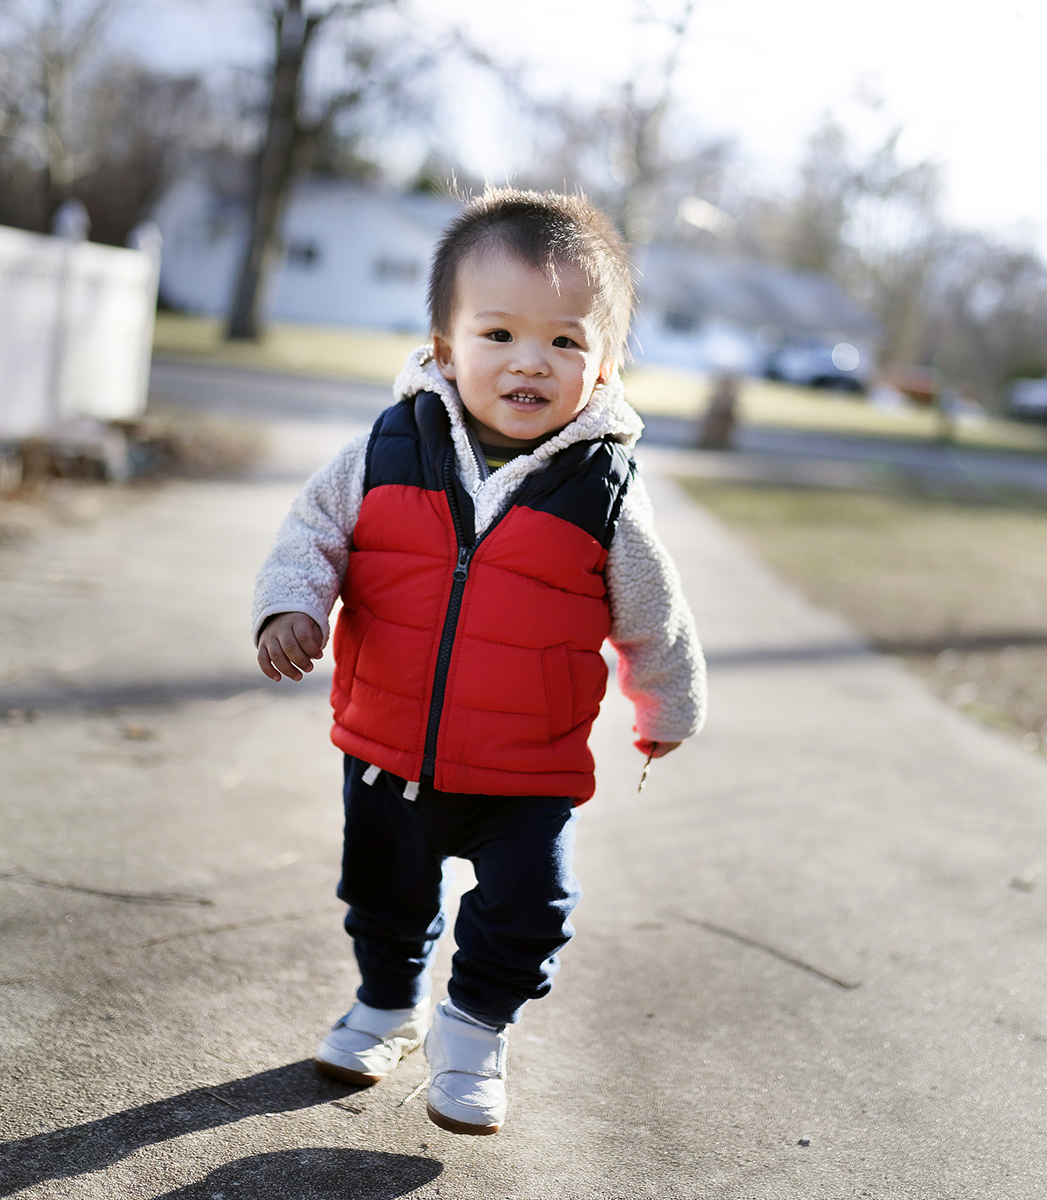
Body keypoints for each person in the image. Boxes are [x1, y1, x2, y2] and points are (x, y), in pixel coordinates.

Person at [252, 187, 706, 1136]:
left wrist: (668, 704)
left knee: (532, 909)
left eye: (565, 341)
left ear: (604, 365)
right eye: (499, 333)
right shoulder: (385, 450)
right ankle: (387, 1006)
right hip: (387, 747)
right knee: (383, 898)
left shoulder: (604, 490)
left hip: (527, 767)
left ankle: (472, 1031)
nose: (530, 361)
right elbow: (311, 532)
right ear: (446, 347)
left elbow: (653, 613)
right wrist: (291, 604)